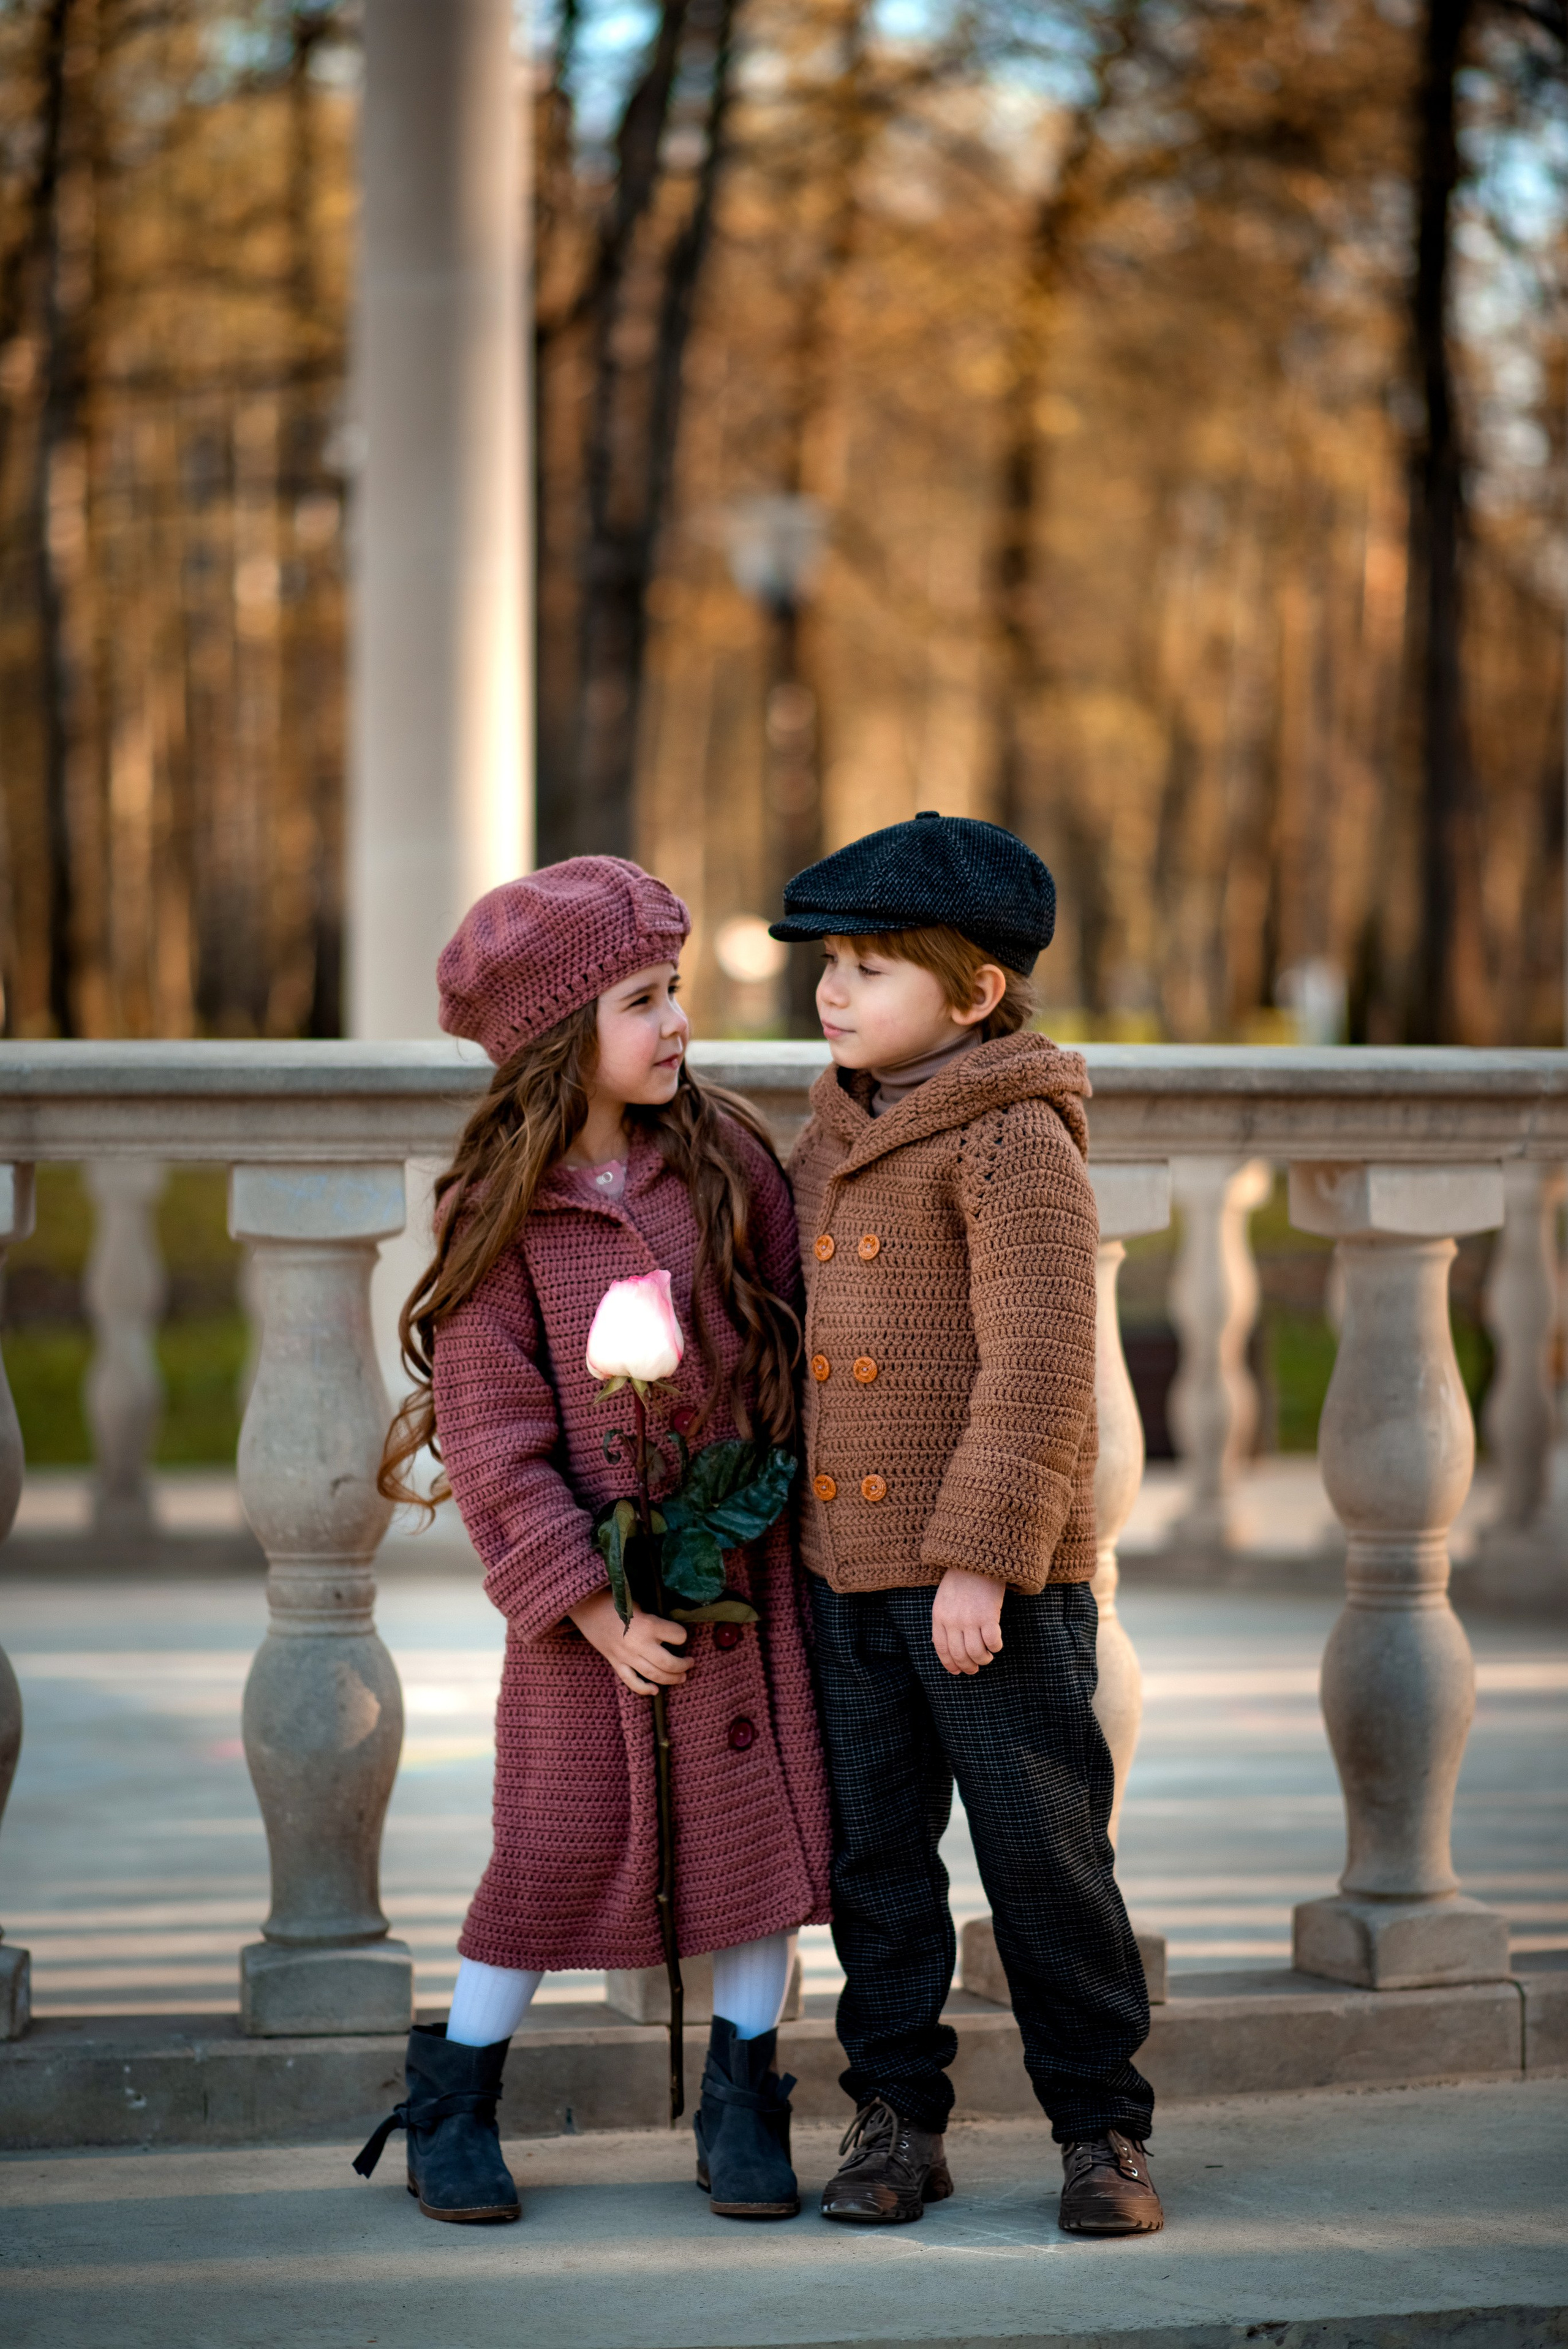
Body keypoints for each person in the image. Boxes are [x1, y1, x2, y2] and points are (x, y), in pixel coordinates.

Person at [354, 856, 831, 2225]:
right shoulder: (502, 1215)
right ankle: (454, 2089)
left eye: (673, 990)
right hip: (584, 1620)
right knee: (551, 1850)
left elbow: (794, 1337)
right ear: (563, 1035)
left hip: (733, 1583)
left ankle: (744, 2094)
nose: (677, 1021)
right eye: (641, 999)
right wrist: (593, 1605)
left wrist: (747, 1490)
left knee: (748, 1844)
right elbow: (496, 1445)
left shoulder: (726, 1160)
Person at [771, 810, 1163, 2237]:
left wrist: (981, 1559)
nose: (832, 989)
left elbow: (1045, 1361)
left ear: (974, 991)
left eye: (872, 968)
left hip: (981, 1587)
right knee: (874, 1865)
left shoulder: (1011, 1139)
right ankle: (894, 2117)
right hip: (841, 1575)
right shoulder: (821, 1135)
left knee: (1039, 1853)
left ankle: (1100, 2126)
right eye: (829, 962)